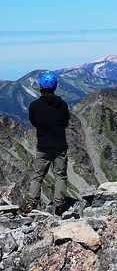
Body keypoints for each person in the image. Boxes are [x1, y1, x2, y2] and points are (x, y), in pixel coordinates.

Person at [20, 72, 70, 216]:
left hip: (43, 146)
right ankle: (59, 205)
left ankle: (31, 202)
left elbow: (34, 122)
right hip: (60, 145)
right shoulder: (63, 105)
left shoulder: (34, 106)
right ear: (55, 87)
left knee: (38, 175)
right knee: (60, 175)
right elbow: (65, 122)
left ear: (41, 87)